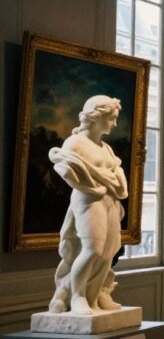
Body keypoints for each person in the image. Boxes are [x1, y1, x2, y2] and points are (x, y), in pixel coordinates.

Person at [48, 95, 129, 315]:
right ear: (96, 116)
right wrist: (106, 179)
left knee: (107, 253)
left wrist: (104, 178)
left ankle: (94, 296)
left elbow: (120, 181)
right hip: (88, 200)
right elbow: (72, 176)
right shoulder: (75, 143)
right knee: (92, 250)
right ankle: (77, 296)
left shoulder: (105, 148)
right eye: (111, 118)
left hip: (110, 202)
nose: (114, 123)